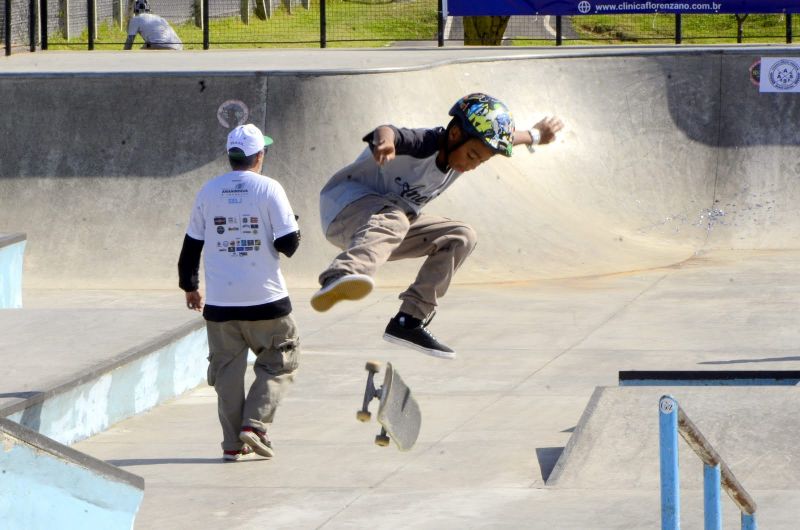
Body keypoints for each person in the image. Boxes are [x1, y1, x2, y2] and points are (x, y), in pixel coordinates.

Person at [310, 92, 563, 360]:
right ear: (455, 135)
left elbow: (509, 137)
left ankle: (409, 321)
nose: (472, 166)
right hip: (345, 209)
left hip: (381, 234)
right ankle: (340, 275)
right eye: (472, 155)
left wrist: (536, 135)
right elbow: (390, 132)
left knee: (461, 236)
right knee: (395, 218)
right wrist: (383, 142)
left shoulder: (471, 145)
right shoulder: (425, 143)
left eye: (481, 161)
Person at [178, 123, 301, 462]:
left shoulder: (209, 191)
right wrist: (293, 224)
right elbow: (288, 244)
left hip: (220, 305)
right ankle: (256, 426)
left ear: (231, 157)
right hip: (267, 301)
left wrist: (190, 286)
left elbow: (191, 246)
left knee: (228, 374)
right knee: (279, 363)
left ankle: (233, 444)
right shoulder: (269, 188)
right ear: (260, 155)